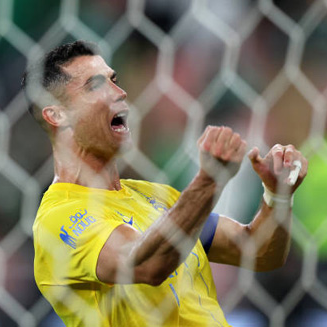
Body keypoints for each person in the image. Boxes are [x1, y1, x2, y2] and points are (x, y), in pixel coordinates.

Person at [22, 40, 308, 327]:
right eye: (95, 86)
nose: (120, 93)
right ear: (56, 114)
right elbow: (145, 265)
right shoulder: (57, 219)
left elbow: (257, 252)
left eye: (114, 80)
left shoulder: (156, 197)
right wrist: (207, 181)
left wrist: (277, 196)